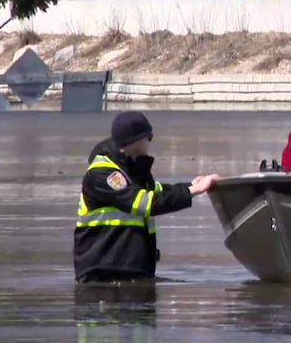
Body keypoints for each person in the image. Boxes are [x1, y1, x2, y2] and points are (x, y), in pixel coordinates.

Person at [74, 111, 220, 283]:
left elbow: (154, 191)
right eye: (149, 137)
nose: (150, 141)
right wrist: (193, 192)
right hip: (104, 275)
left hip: (129, 271)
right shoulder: (103, 173)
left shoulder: (130, 169)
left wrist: (190, 186)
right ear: (137, 139)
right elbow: (144, 203)